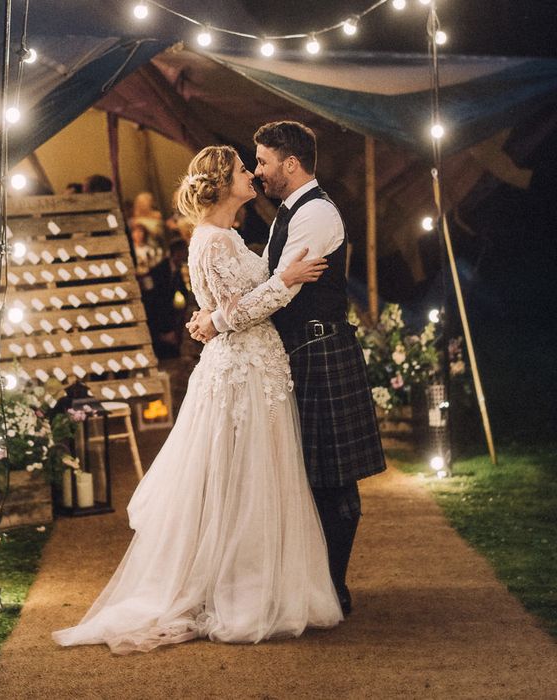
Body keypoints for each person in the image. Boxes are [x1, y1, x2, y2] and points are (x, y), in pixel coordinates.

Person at [52, 145, 342, 654]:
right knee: (240, 476)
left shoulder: (229, 236)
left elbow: (229, 307)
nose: (252, 174)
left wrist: (230, 308)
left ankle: (261, 583)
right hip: (240, 373)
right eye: (241, 170)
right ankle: (236, 590)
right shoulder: (211, 242)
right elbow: (242, 308)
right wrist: (285, 280)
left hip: (257, 369)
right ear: (220, 183)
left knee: (261, 474)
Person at [187, 122, 386, 615]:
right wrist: (217, 311)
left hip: (320, 351)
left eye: (263, 161)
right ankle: (304, 582)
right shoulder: (282, 217)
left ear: (290, 164)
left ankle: (331, 587)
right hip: (291, 354)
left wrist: (215, 317)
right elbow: (263, 284)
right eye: (250, 164)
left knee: (332, 477)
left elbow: (282, 289)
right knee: (301, 473)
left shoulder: (315, 214)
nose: (257, 171)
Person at [144, 238, 189, 359]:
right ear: (177, 252)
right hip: (158, 312)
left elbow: (182, 290)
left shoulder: (177, 269)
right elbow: (156, 299)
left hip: (168, 310)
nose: (186, 255)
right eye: (185, 251)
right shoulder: (160, 270)